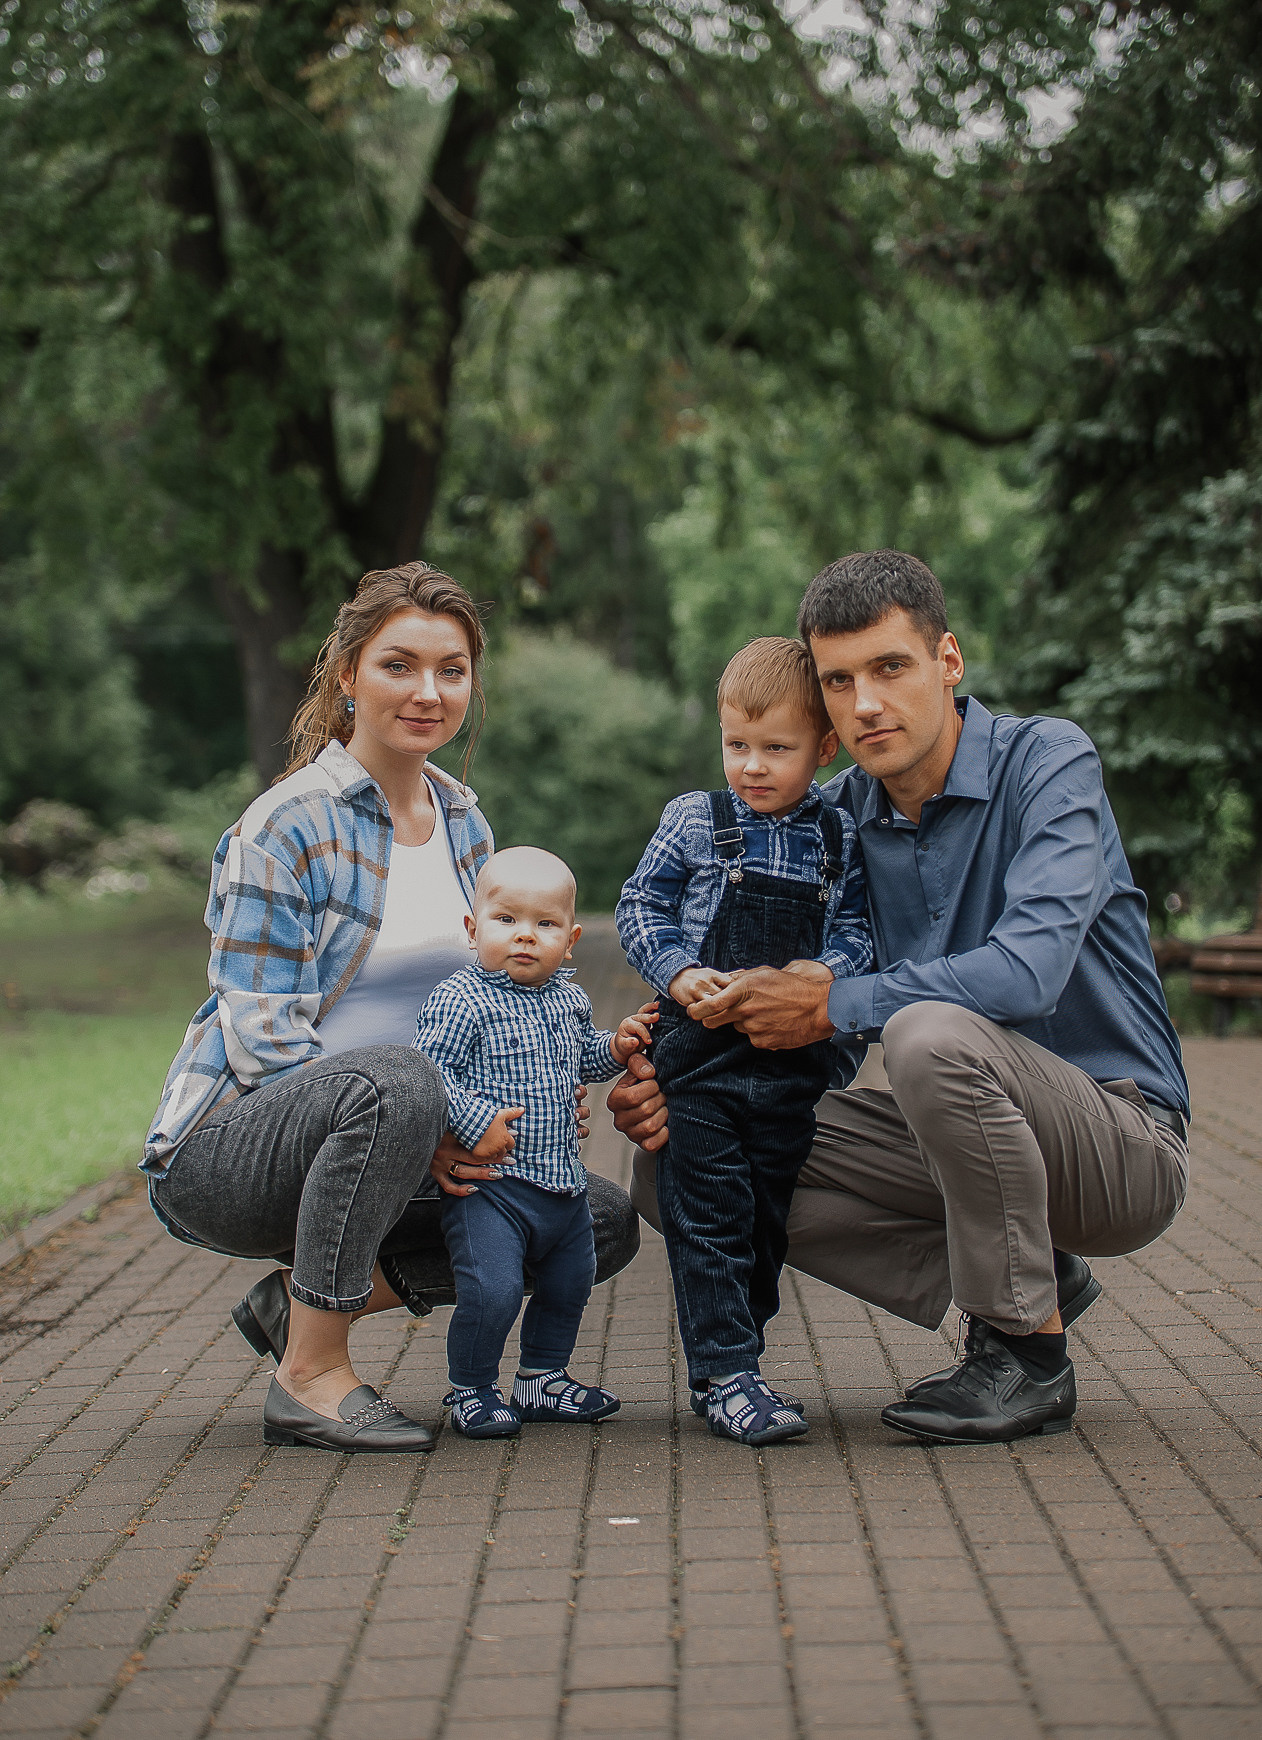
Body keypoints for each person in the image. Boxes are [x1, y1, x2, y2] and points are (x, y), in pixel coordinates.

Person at [609, 550, 1189, 1447]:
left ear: (947, 662)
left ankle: (1027, 1359)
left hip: (1122, 1141)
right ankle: (1032, 1279)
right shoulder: (833, 825)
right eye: (839, 681)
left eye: (890, 668)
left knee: (924, 1034)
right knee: (687, 1158)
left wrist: (834, 1005)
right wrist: (674, 1067)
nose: (867, 702)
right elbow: (813, 1033)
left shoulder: (1048, 763)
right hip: (975, 1146)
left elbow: (1025, 972)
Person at [143, 562, 639, 1456]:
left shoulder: (466, 827)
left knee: (594, 1218)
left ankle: (302, 1299)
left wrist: (534, 1083)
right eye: (399, 665)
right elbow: (261, 1040)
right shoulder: (285, 826)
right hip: (235, 1147)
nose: (428, 691)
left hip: (399, 1141)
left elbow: (503, 999)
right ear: (347, 675)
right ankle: (310, 1377)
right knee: (402, 1079)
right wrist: (428, 1118)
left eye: (451, 671)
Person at [615, 637, 872, 1446]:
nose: (751, 767)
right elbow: (638, 907)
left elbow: (860, 936)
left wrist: (818, 973)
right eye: (736, 745)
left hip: (790, 1067)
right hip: (698, 1061)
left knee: (765, 1221)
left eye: (776, 749)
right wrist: (680, 969)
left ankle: (738, 1359)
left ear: (823, 748)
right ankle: (728, 1373)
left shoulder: (839, 836)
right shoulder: (697, 819)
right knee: (710, 1213)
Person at [416, 847, 655, 1438]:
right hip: (491, 1189)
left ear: (570, 940)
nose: (525, 936)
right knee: (492, 1291)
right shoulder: (460, 999)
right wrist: (475, 1124)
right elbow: (427, 1074)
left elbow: (580, 1057)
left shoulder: (567, 999)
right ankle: (470, 1388)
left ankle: (543, 1378)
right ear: (473, 930)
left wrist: (616, 1048)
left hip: (561, 1184)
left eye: (544, 924)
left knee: (570, 1283)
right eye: (506, 921)